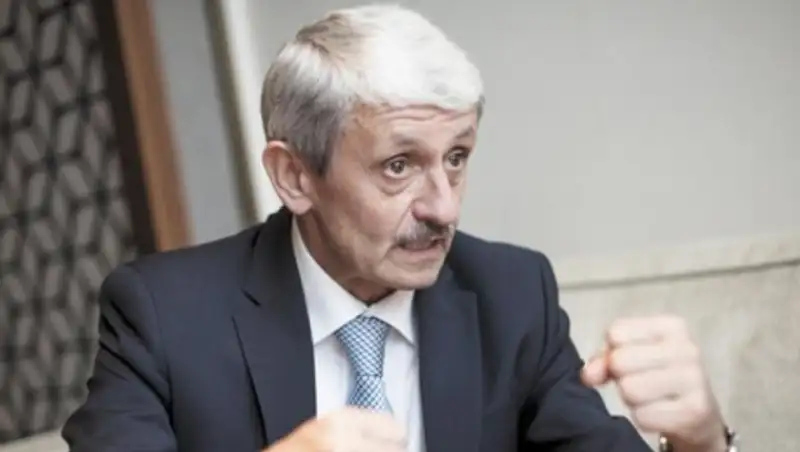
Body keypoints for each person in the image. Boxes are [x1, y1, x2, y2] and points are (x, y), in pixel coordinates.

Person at [62, 4, 735, 452]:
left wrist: (701, 442)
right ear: (295, 176)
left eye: (457, 158)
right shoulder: (163, 314)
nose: (444, 207)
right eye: (398, 165)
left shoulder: (510, 295)